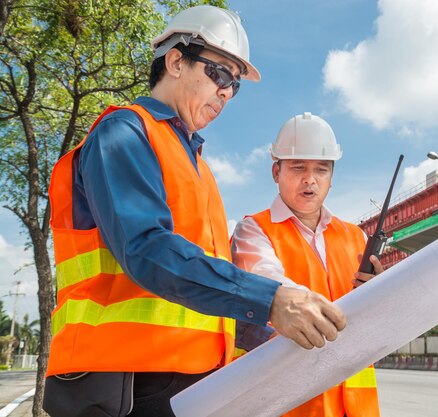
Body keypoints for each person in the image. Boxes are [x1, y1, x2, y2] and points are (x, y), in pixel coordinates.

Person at [43, 6, 345, 417]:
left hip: (186, 382)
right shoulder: (125, 133)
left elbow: (200, 285)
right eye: (219, 74)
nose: (226, 92)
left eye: (235, 86)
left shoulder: (198, 165)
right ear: (175, 60)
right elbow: (147, 250)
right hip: (124, 384)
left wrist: (269, 331)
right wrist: (270, 299)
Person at [232, 112, 382, 417]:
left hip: (357, 406)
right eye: (298, 167)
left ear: (331, 176)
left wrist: (380, 293)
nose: (309, 179)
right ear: (276, 171)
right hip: (293, 406)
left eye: (321, 169)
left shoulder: (356, 236)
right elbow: (268, 285)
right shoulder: (253, 230)